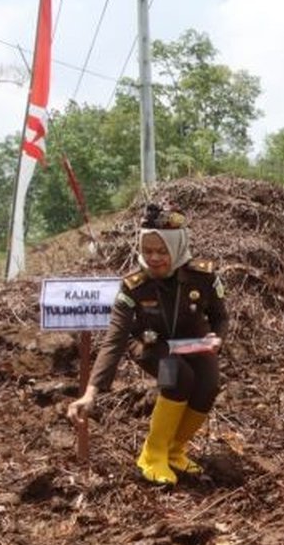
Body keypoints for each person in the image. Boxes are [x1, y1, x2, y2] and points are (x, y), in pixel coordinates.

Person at [67, 204, 226, 485]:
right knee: (177, 377)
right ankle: (152, 454)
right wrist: (91, 391)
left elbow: (220, 316)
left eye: (161, 252)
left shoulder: (203, 277)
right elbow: (114, 339)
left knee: (208, 383)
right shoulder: (134, 286)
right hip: (151, 348)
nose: (153, 258)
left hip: (195, 343)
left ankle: (175, 451)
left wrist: (217, 337)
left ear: (177, 249)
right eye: (148, 250)